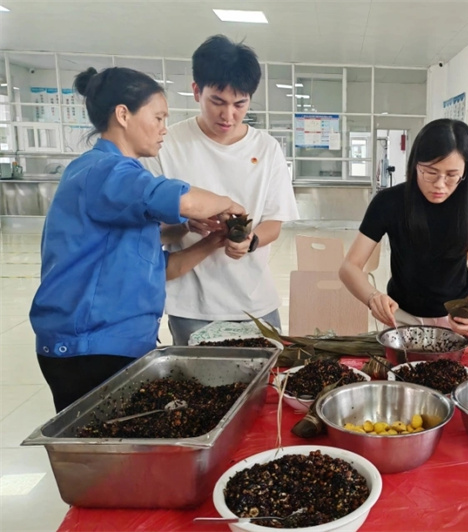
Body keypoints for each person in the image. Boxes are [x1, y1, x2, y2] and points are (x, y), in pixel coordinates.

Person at [30, 66, 245, 412]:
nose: (164, 129)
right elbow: (182, 200)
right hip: (90, 349)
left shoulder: (121, 182)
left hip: (117, 345)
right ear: (123, 115)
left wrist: (211, 240)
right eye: (158, 117)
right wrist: (228, 204)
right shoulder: (103, 170)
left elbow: (160, 269)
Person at [146, 35, 299, 345]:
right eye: (217, 102)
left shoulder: (267, 148)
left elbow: (274, 222)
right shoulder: (166, 145)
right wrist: (185, 224)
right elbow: (150, 231)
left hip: (255, 303)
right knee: (197, 376)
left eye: (239, 104)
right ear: (196, 91)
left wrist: (251, 241)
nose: (228, 115)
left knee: (267, 374)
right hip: (191, 305)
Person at [339, 118, 468, 335]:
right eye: (430, 172)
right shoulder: (388, 203)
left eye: (452, 175)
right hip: (403, 317)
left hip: (459, 318)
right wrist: (373, 297)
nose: (440, 184)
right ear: (415, 164)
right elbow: (350, 266)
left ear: (465, 171)